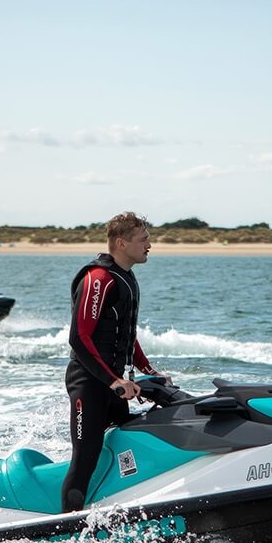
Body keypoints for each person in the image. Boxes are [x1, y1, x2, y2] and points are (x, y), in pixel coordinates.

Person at [61, 212, 167, 513]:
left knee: (128, 440)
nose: (149, 245)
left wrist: (149, 371)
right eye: (143, 239)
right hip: (89, 383)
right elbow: (79, 338)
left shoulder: (126, 276)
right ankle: (66, 524)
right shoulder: (99, 279)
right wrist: (114, 381)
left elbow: (125, 335)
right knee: (86, 457)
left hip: (112, 383)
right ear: (121, 243)